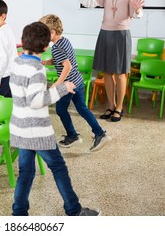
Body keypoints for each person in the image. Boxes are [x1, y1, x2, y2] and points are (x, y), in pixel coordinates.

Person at [9, 21, 101, 216]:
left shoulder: (16, 62)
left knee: (25, 172)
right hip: (37, 131)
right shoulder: (37, 70)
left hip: (19, 128)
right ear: (45, 47)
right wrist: (62, 88)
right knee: (58, 167)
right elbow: (36, 101)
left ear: (23, 41)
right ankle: (74, 211)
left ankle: (18, 213)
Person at [63, 0, 144, 122]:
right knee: (107, 71)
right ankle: (111, 105)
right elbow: (94, 3)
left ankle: (119, 108)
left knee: (121, 73)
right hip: (105, 32)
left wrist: (138, 10)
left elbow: (137, 14)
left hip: (121, 34)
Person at [39, 14, 111, 152]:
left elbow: (67, 66)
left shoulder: (55, 48)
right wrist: (46, 62)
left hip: (68, 85)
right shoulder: (64, 41)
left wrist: (57, 84)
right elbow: (63, 60)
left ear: (52, 32)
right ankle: (100, 133)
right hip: (77, 81)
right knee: (82, 109)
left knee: (60, 110)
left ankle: (72, 136)